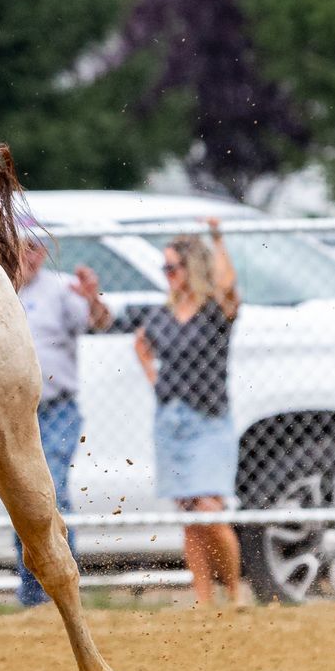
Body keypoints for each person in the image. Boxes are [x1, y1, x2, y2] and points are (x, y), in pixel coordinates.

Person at [134, 218, 242, 607]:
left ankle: (234, 591)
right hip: (171, 420)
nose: (167, 275)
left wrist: (217, 237)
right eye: (164, 268)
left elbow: (228, 287)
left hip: (208, 419)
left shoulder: (213, 312)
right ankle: (203, 599)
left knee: (210, 509)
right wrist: (154, 379)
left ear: (190, 268)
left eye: (172, 267)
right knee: (190, 515)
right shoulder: (161, 315)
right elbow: (141, 346)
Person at [12, 231, 110, 607]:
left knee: (49, 492)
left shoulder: (59, 289)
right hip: (15, 411)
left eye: (38, 247)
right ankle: (35, 590)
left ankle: (58, 589)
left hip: (56, 408)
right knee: (20, 495)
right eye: (25, 246)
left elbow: (99, 321)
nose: (31, 255)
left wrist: (93, 298)